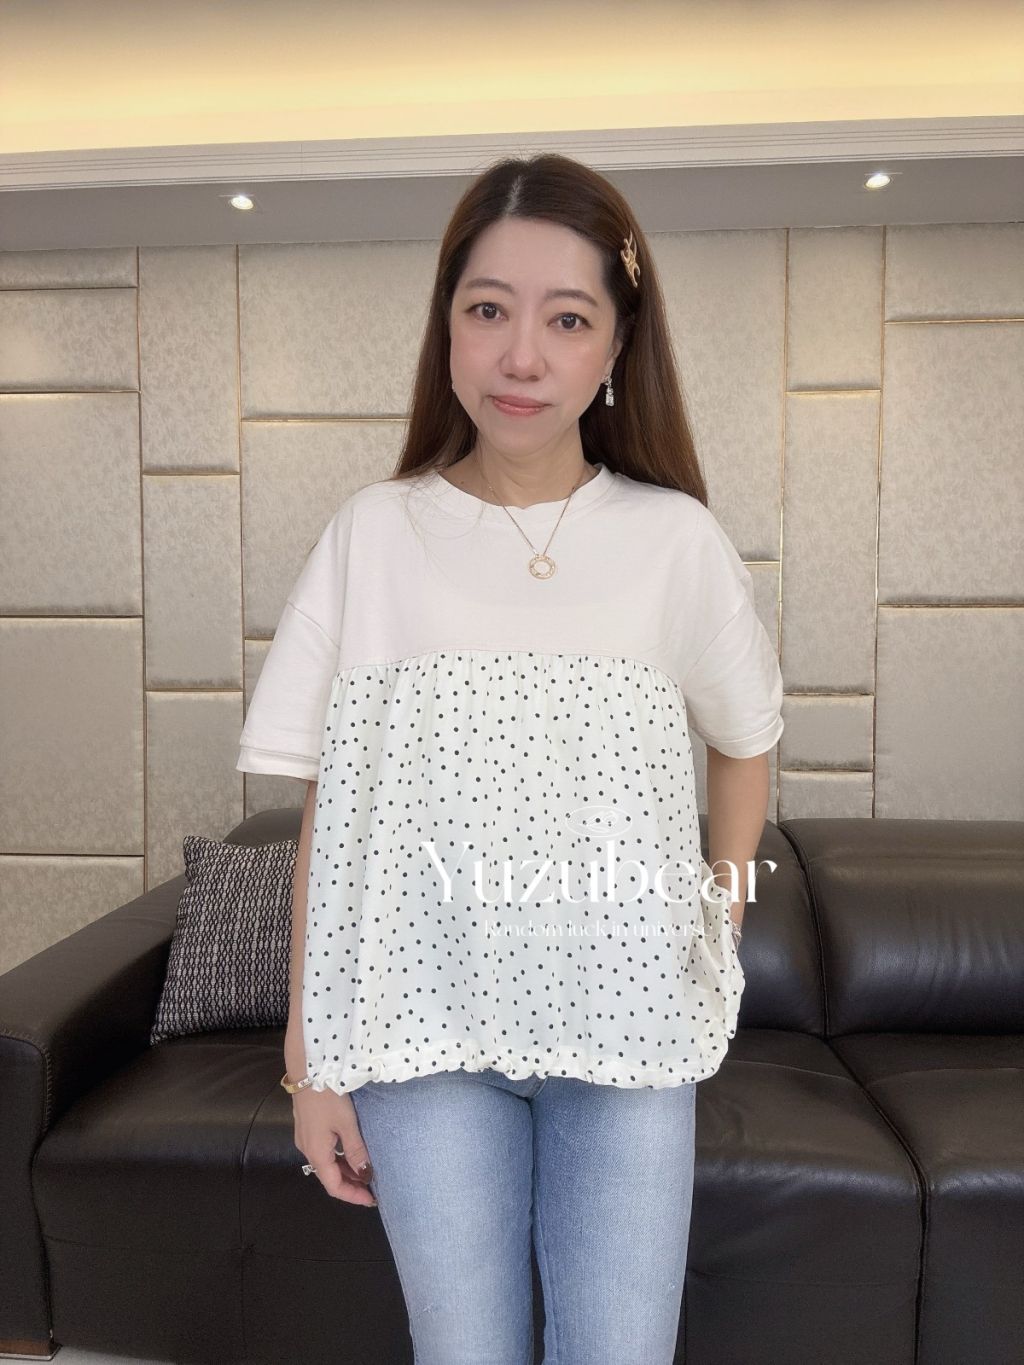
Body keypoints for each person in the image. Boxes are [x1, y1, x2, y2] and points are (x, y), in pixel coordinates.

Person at [236, 152, 784, 1365]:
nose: (520, 356)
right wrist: (309, 1060)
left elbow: (745, 746)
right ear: (447, 327)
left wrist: (713, 922)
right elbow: (339, 819)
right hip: (421, 1042)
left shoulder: (674, 542)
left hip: (627, 1040)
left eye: (567, 319)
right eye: (487, 310)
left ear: (617, 344)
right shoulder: (374, 536)